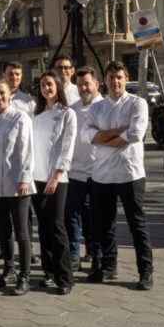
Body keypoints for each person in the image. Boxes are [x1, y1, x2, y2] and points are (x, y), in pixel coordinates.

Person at [86, 61, 153, 290]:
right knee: (106, 225)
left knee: (137, 224)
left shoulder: (138, 104)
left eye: (119, 77)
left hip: (130, 173)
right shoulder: (96, 107)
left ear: (126, 79)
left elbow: (135, 134)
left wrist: (104, 137)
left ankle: (145, 271)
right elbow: (90, 137)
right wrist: (118, 133)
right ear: (104, 80)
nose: (115, 81)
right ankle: (109, 266)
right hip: (102, 174)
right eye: (111, 77)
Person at [0, 76, 35, 296]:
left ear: (9, 94)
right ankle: (9, 270)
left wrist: (25, 178)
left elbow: (27, 150)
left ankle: (25, 276)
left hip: (16, 183)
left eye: (2, 92)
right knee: (4, 232)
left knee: (22, 232)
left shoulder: (20, 118)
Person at [31, 72, 76, 295]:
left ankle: (65, 277)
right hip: (36, 178)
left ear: (58, 86)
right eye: (42, 84)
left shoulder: (67, 114)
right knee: (44, 227)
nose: (46, 88)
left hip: (56, 179)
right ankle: (48, 272)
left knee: (57, 227)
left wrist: (56, 175)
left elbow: (67, 148)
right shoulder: (36, 115)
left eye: (49, 84)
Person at [65, 66, 104, 272]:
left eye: (86, 83)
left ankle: (97, 255)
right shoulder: (71, 110)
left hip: (99, 173)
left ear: (96, 84)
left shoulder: (105, 106)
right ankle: (73, 255)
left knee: (96, 217)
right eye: (79, 85)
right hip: (74, 173)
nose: (83, 88)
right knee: (71, 216)